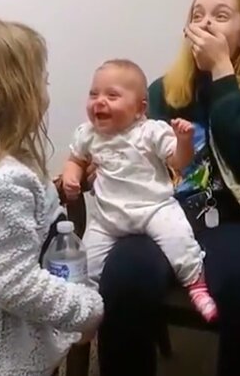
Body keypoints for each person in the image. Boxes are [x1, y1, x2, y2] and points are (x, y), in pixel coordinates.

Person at [93, 0, 240, 376]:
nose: (205, 23)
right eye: (197, 15)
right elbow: (132, 154)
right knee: (123, 280)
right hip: (159, 217)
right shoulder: (161, 91)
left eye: (221, 16)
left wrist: (223, 75)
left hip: (234, 222)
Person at [0, 18, 103, 376]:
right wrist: (85, 308)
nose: (46, 90)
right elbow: (14, 282)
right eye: (43, 80)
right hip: (8, 360)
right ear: (14, 95)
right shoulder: (6, 183)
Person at [62, 58, 218, 322]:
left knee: (180, 242)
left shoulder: (150, 131)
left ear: (140, 108)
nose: (99, 101)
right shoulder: (87, 134)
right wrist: (71, 177)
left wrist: (183, 142)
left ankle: (197, 285)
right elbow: (76, 159)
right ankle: (84, 308)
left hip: (154, 209)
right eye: (93, 94)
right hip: (107, 218)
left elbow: (179, 162)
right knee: (87, 263)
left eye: (112, 95)